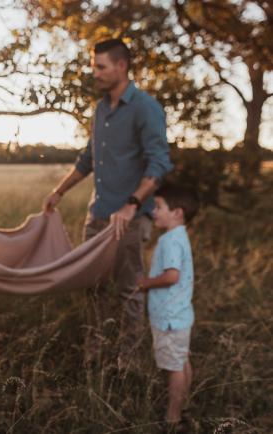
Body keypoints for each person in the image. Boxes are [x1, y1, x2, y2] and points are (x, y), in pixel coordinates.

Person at [43, 38, 174, 357]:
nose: (95, 73)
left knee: (129, 290)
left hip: (129, 219)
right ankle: (95, 348)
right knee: (93, 286)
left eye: (100, 67)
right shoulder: (101, 109)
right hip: (98, 213)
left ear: (121, 66)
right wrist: (58, 191)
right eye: (93, 67)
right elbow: (88, 159)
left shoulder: (146, 107)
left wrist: (131, 206)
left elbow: (159, 163)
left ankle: (127, 362)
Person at [136, 185, 198, 430]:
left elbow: (171, 276)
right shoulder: (180, 236)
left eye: (159, 206)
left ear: (177, 213)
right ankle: (184, 404)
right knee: (182, 361)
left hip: (169, 317)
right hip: (181, 314)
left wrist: (146, 283)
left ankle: (173, 418)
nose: (153, 210)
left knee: (174, 367)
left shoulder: (170, 240)